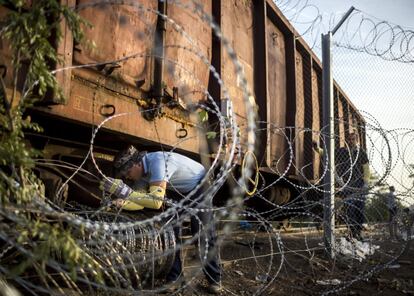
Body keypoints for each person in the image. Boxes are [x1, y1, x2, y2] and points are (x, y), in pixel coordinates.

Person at [99, 145, 222, 293]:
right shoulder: (142, 175)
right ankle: (175, 278)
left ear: (136, 164)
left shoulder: (158, 163)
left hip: (200, 183)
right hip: (177, 189)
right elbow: (138, 202)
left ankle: (214, 279)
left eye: (127, 172)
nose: (126, 177)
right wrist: (118, 203)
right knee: (170, 231)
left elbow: (155, 202)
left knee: (201, 231)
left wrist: (124, 191)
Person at [336, 132, 370, 240]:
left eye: (353, 139)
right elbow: (328, 154)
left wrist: (366, 183)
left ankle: (358, 232)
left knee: (359, 208)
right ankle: (352, 231)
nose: (350, 141)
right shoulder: (342, 151)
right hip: (347, 183)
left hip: (359, 183)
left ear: (357, 140)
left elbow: (366, 168)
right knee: (349, 208)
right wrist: (317, 149)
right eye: (349, 139)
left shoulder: (361, 152)